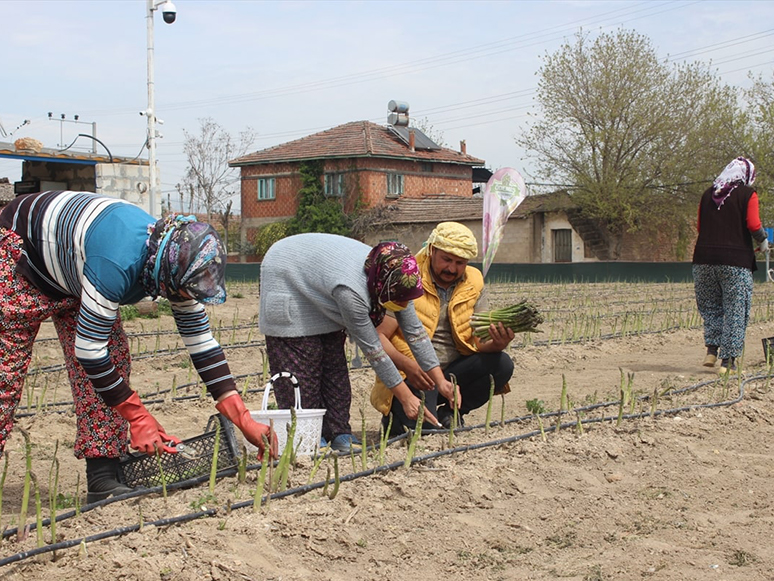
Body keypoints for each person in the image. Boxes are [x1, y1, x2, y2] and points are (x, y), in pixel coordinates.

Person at [0, 191, 276, 504]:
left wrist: (243, 418)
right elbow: (89, 350)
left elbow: (202, 343)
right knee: (3, 374)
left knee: (112, 358)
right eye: (184, 291)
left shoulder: (174, 258)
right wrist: (139, 418)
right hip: (20, 255)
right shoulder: (118, 263)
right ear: (165, 276)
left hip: (75, 268)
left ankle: (102, 476)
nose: (187, 297)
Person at [258, 233, 457, 452]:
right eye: (398, 299)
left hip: (323, 281)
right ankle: (309, 437)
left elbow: (415, 332)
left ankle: (340, 433)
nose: (402, 303)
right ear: (382, 286)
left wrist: (441, 380)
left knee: (334, 366)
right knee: (302, 367)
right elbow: (373, 350)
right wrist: (405, 396)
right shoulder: (352, 292)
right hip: (287, 275)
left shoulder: (400, 279)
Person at [371, 222, 515, 434]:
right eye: (446, 259)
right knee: (426, 429)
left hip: (454, 371)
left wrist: (497, 343)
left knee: (502, 364)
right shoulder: (408, 277)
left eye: (460, 262)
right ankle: (395, 417)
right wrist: (409, 366)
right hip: (415, 373)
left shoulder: (474, 281)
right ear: (432, 251)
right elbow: (379, 336)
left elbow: (479, 341)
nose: (452, 268)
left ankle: (452, 412)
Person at [692, 157, 769, 375]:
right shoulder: (747, 194)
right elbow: (753, 224)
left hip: (703, 260)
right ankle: (728, 362)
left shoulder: (708, 194)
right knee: (736, 309)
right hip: (735, 263)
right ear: (747, 175)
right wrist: (762, 240)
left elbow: (700, 226)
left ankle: (711, 350)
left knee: (711, 307)